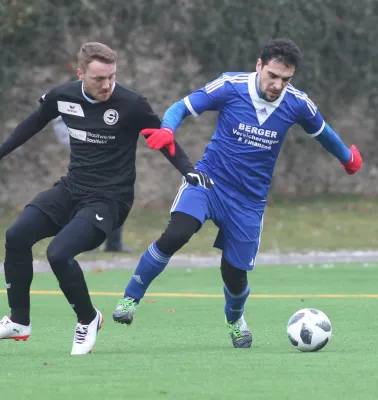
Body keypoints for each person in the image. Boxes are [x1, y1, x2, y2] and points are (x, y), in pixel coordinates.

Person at [112, 38, 363, 348]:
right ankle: (129, 299)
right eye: (272, 75)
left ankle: (235, 319)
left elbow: (323, 133)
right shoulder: (230, 86)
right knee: (177, 234)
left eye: (285, 79)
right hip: (208, 182)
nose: (277, 84)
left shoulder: (297, 103)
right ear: (259, 66)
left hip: (248, 201)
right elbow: (183, 107)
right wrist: (168, 128)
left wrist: (347, 158)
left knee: (234, 275)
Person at [0, 42, 211, 355]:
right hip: (72, 188)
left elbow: (162, 138)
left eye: (111, 76)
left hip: (110, 200)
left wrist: (187, 170)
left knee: (58, 254)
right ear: (81, 74)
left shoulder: (131, 103)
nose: (107, 85)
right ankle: (19, 321)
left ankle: (88, 319)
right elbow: (33, 123)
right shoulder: (63, 96)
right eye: (99, 78)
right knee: (16, 236)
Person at [53, 115, 131, 253]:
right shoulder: (70, 98)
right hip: (85, 158)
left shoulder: (112, 98)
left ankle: (114, 244)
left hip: (111, 155)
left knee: (118, 195)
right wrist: (83, 143)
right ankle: (89, 243)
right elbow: (61, 126)